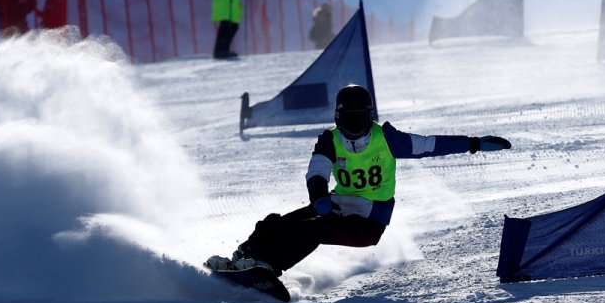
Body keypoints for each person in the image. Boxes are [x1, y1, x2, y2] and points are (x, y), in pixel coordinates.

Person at [205, 84, 512, 277]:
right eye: (349, 119)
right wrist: (318, 196)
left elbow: (431, 144)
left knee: (312, 229)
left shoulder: (387, 138)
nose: (355, 126)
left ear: (370, 117)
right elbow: (317, 171)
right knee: (279, 223)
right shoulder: (330, 140)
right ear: (338, 118)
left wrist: (474, 143)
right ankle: (245, 256)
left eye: (360, 119)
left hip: (368, 223)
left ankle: (268, 269)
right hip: (336, 206)